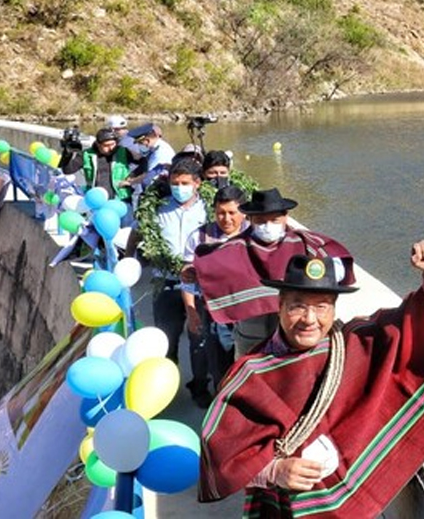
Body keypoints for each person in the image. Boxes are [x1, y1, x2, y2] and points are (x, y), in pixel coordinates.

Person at [199, 246, 424, 517]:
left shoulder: (355, 343)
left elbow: (419, 328)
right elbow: (221, 457)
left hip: (352, 508)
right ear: (279, 305)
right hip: (278, 509)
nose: (309, 319)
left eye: (321, 306)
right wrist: (274, 471)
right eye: (297, 305)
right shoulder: (251, 373)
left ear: (333, 308)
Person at [193, 188, 355, 357]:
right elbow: (209, 263)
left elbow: (337, 265)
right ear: (250, 219)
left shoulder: (306, 242)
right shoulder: (236, 247)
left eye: (274, 220)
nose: (268, 226)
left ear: (285, 217)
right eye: (261, 221)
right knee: (251, 366)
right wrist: (193, 271)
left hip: (296, 322)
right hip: (252, 327)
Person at [126, 156, 207, 401]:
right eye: (175, 183)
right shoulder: (157, 209)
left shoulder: (210, 210)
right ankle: (166, 389)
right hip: (166, 283)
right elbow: (136, 233)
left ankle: (200, 386)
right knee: (166, 337)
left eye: (184, 183)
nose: (179, 188)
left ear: (197, 184)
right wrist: (128, 259)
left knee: (199, 338)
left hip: (199, 286)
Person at [179, 185, 248, 406]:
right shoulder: (199, 237)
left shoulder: (255, 237)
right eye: (220, 213)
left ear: (244, 212)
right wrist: (191, 312)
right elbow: (187, 281)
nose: (226, 219)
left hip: (250, 315)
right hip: (215, 314)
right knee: (218, 362)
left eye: (232, 213)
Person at [59, 128, 132, 202]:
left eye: (113, 144)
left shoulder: (123, 152)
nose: (111, 148)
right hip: (96, 200)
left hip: (121, 198)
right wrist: (67, 154)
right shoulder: (86, 155)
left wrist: (133, 179)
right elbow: (67, 170)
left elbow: (141, 164)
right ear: (98, 144)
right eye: (106, 145)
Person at [122, 123, 175, 191]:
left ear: (147, 140)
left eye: (140, 143)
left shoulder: (161, 152)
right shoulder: (154, 148)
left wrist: (130, 182)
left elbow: (150, 174)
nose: (139, 146)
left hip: (159, 189)